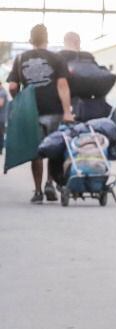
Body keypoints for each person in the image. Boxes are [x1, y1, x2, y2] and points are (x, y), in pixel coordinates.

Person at [7, 24, 72, 204]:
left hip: (31, 111)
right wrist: (67, 111)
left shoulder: (20, 59)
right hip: (53, 109)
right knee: (53, 148)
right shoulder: (57, 58)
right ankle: (50, 183)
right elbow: (62, 85)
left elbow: (12, 86)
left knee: (36, 152)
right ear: (47, 39)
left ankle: (37, 191)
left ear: (30, 40)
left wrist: (19, 100)